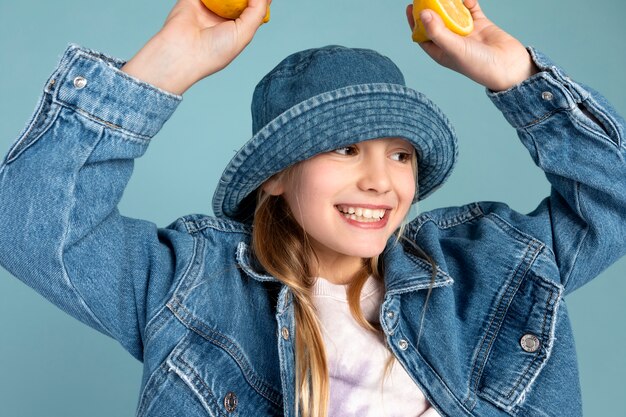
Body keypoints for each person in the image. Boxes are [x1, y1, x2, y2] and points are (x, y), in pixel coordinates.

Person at [0, 0, 624, 415]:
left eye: (400, 154)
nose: (381, 181)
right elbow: (27, 223)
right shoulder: (191, 287)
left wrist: (516, 75)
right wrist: (164, 67)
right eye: (347, 149)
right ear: (275, 177)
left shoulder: (491, 267)